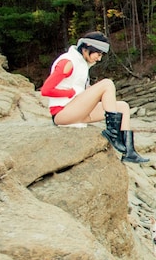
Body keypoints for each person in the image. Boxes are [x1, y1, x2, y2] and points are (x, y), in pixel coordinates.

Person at [41, 31, 148, 163]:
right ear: (86, 48)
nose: (99, 58)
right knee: (107, 83)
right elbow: (46, 90)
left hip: (77, 110)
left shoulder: (82, 64)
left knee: (123, 107)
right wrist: (70, 93)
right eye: (98, 54)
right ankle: (112, 134)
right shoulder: (67, 62)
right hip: (62, 113)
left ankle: (129, 152)